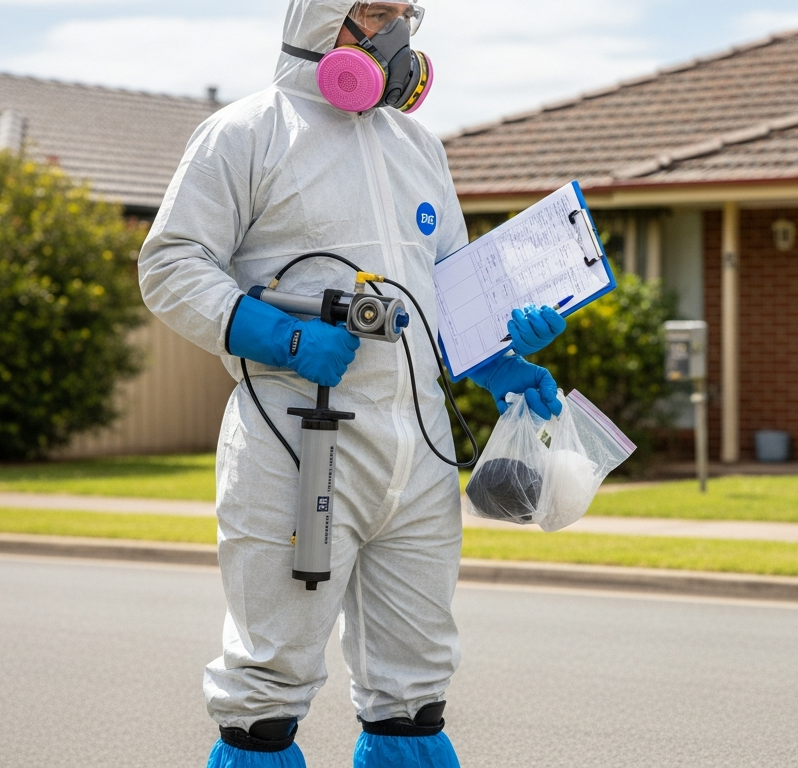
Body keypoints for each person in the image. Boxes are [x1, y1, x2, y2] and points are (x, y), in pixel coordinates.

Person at [138, 2, 568, 766]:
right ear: (321, 18)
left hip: (420, 449)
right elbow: (171, 265)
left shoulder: (417, 145)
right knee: (265, 694)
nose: (397, 31)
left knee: (415, 695)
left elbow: (450, 291)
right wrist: (282, 337)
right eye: (375, 12)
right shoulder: (247, 132)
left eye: (406, 13)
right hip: (296, 443)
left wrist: (501, 356)